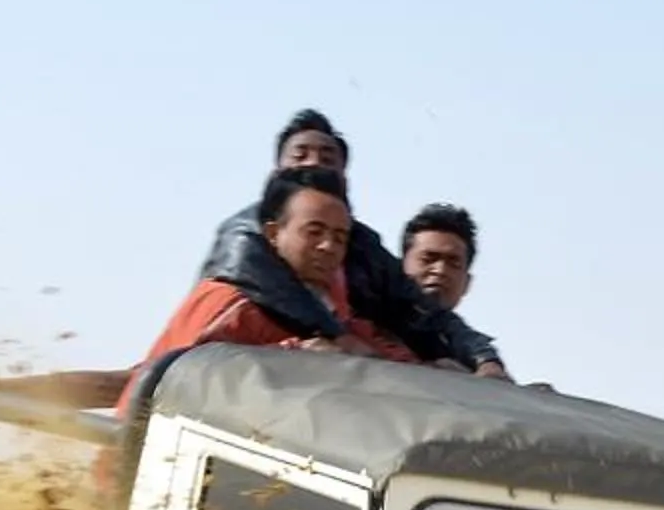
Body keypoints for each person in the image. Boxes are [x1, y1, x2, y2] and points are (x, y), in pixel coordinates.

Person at [196, 109, 513, 380]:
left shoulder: (362, 253)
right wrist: (340, 341)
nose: (313, 164)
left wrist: (482, 360)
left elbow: (422, 313)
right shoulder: (236, 275)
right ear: (273, 233)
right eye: (300, 155)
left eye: (338, 237)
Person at [135, 165, 418, 368]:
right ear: (273, 234)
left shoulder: (335, 313)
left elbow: (376, 355)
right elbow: (184, 377)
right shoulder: (229, 302)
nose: (328, 246)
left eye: (339, 237)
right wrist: (293, 355)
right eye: (314, 232)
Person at [398, 203, 479, 317]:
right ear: (400, 268)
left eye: (453, 263)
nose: (441, 270)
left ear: (466, 283)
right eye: (428, 259)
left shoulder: (463, 335)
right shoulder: (368, 324)